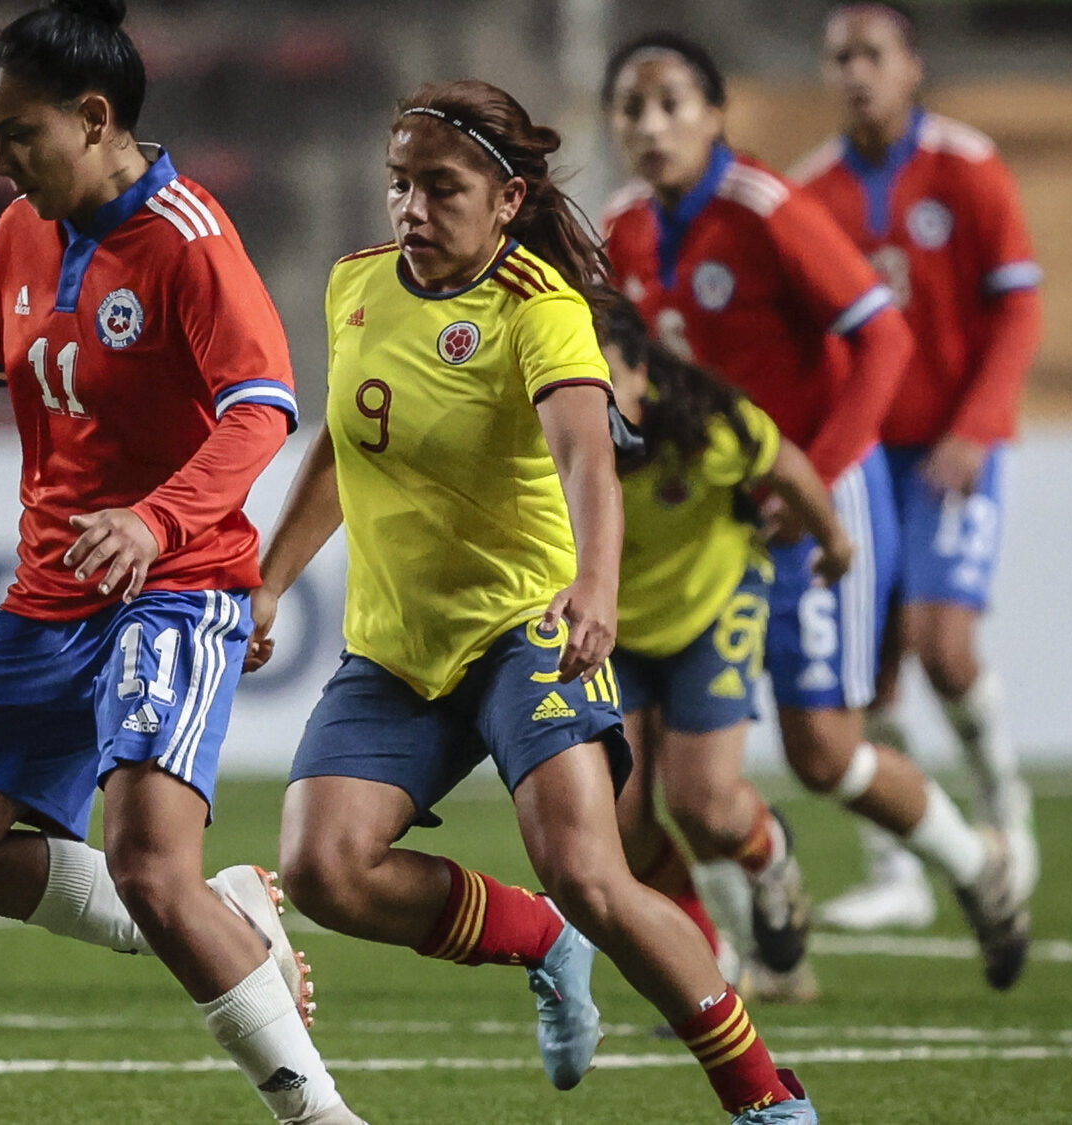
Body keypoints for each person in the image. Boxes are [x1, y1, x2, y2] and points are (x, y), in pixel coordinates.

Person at [0, 3, 361, 1122]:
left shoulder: (192, 245)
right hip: (48, 594)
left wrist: (155, 522)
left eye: (18, 135)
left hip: (173, 584)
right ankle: (228, 914)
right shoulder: (24, 231)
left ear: (94, 118)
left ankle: (318, 1114)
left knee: (150, 870)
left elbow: (262, 412)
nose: (1, 163)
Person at [251, 80, 817, 1124]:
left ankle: (763, 1099)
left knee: (591, 874)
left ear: (507, 199)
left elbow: (585, 459)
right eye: (396, 184)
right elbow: (339, 443)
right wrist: (270, 578)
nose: (410, 209)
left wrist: (592, 586)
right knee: (322, 869)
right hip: (394, 648)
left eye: (439, 187)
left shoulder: (539, 305)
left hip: (525, 632)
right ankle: (537, 939)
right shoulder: (353, 287)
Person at [599, 30, 1029, 993]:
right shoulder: (623, 228)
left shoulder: (767, 209)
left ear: (716, 116)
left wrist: (820, 476)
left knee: (825, 750)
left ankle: (979, 867)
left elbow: (884, 340)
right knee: (656, 775)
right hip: (709, 522)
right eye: (633, 108)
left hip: (816, 498)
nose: (652, 125)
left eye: (673, 104)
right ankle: (757, 948)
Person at [795, 0, 1043, 932]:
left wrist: (978, 424)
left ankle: (1005, 810)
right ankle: (894, 868)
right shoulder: (812, 193)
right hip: (866, 462)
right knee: (873, 672)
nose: (855, 71)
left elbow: (1017, 309)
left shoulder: (968, 169)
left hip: (952, 451)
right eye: (839, 57)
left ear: (912, 65)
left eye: (872, 53)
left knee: (945, 647)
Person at [598, 295, 849, 985]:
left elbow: (790, 468)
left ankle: (771, 856)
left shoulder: (706, 426)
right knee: (621, 818)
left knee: (701, 802)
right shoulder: (548, 442)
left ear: (643, 375)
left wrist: (834, 542)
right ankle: (707, 961)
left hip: (713, 608)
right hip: (614, 625)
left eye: (607, 377)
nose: (593, 399)